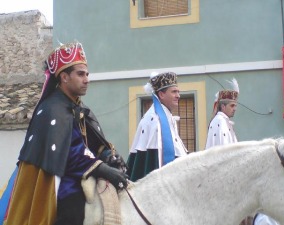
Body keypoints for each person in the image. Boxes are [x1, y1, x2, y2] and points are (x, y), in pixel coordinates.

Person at [3, 42, 128, 225]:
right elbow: (69, 151)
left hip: (82, 170)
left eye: (87, 74)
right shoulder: (52, 109)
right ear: (64, 77)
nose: (86, 79)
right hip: (58, 179)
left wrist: (110, 156)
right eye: (80, 74)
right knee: (73, 209)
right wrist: (102, 168)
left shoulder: (79, 107)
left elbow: (94, 141)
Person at [126, 71, 188, 181]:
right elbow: (154, 162)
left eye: (178, 92)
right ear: (161, 94)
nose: (178, 96)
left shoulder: (165, 116)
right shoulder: (155, 120)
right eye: (174, 92)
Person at [205, 78, 239, 149]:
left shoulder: (224, 121)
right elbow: (224, 150)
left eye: (235, 106)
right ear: (223, 106)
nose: (234, 109)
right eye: (232, 106)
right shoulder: (220, 121)